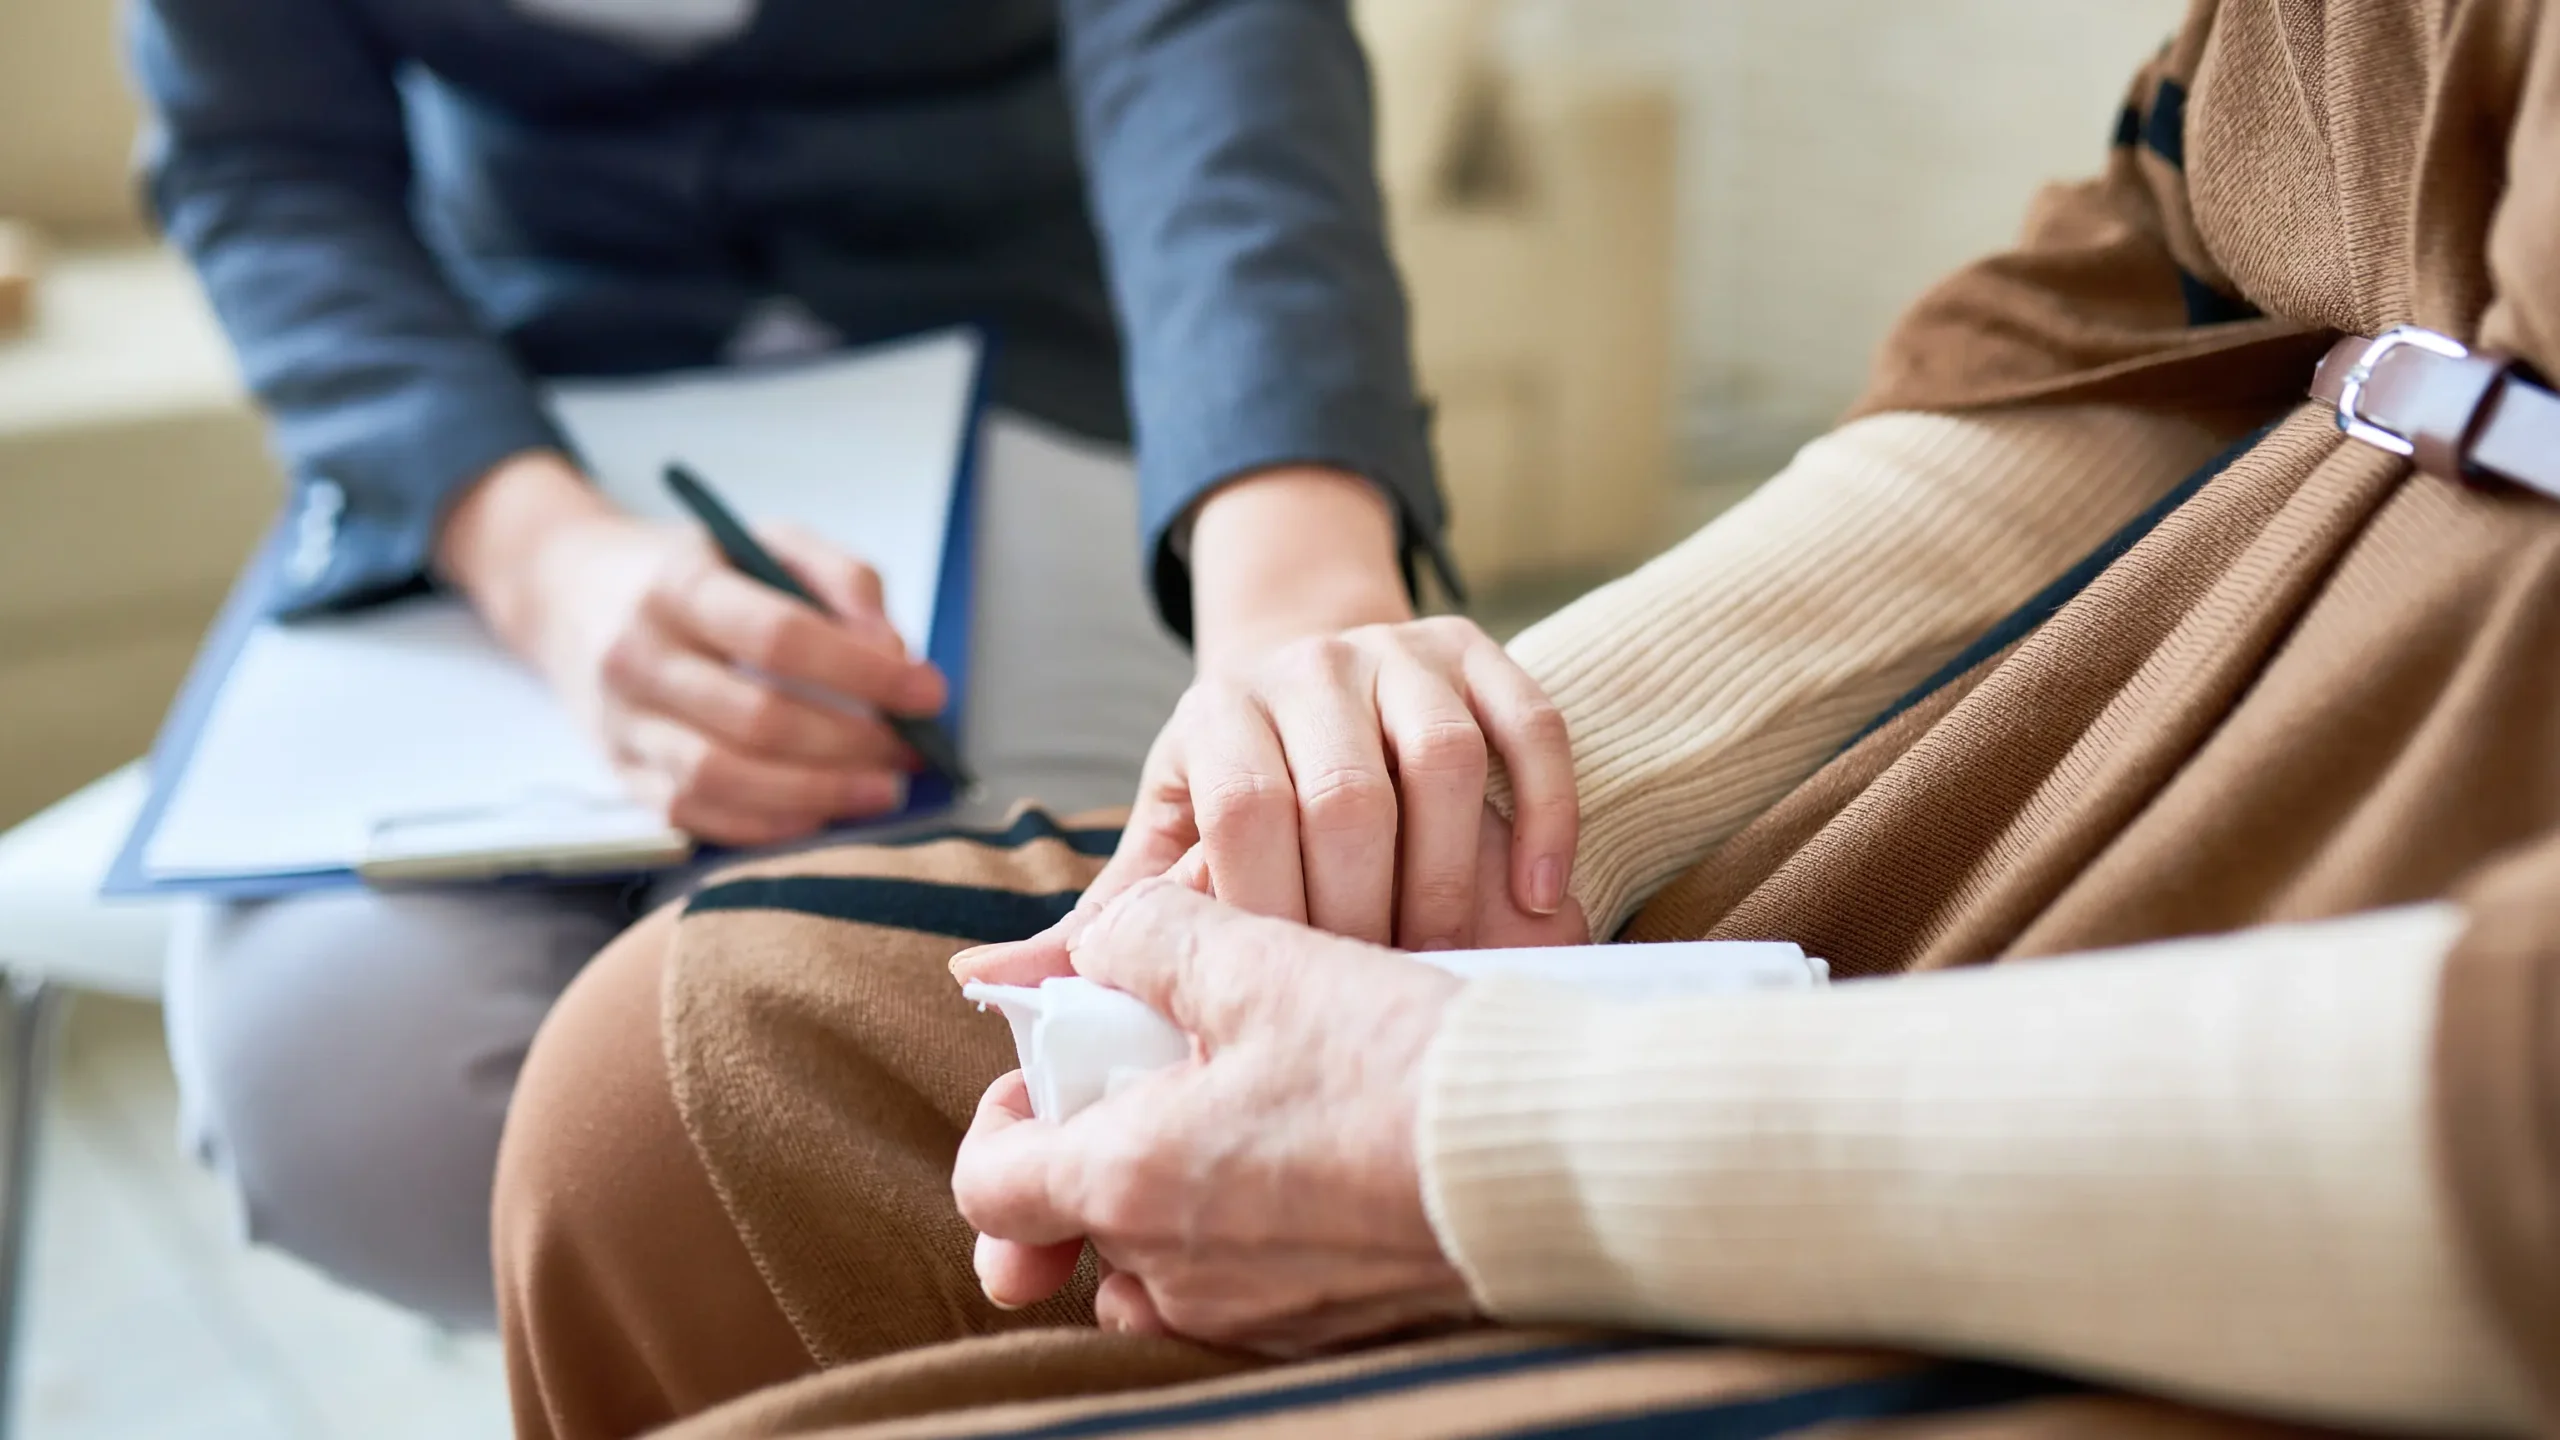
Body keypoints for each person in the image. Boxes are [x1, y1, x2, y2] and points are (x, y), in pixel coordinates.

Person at [492, 0, 2560, 1436]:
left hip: (2436, 1102)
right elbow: (2164, 276)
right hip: (2121, 699)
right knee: (664, 1086)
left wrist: (1487, 1139)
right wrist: (1470, 771)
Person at [132, 0, 1578, 1327]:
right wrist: (545, 563)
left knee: (957, 1061)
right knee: (340, 1101)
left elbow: (1211, 49)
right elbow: (261, 162)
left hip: (1040, 367)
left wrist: (1294, 584)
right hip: (509, 431)